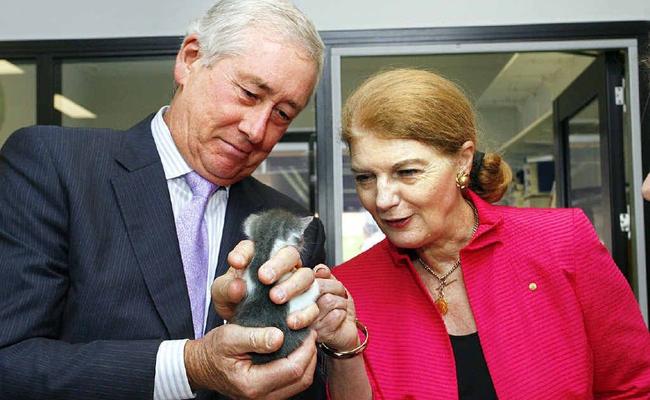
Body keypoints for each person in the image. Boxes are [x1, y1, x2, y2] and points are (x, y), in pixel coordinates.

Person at [0, 1, 329, 399]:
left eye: (282, 114)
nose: (257, 130)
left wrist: (328, 343)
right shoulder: (56, 166)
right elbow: (11, 360)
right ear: (190, 60)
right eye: (248, 93)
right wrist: (190, 366)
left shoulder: (289, 223)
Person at [305, 68, 650, 399]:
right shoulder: (351, 288)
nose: (382, 199)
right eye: (365, 178)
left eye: (407, 172)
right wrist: (345, 351)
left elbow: (634, 386)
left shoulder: (562, 240)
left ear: (462, 162)